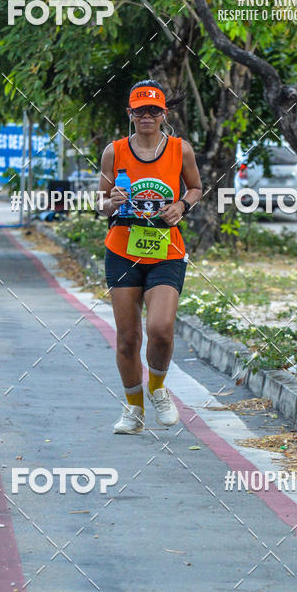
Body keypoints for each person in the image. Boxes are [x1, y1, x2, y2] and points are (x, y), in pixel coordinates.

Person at [97, 79, 202, 434]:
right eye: (140, 109)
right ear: (130, 113)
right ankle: (134, 408)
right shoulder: (114, 152)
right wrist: (108, 203)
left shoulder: (179, 149)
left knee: (160, 329)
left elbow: (197, 188)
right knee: (128, 337)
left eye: (153, 110)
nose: (147, 115)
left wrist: (181, 206)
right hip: (122, 251)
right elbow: (100, 201)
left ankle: (157, 388)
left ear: (164, 114)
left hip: (166, 251)